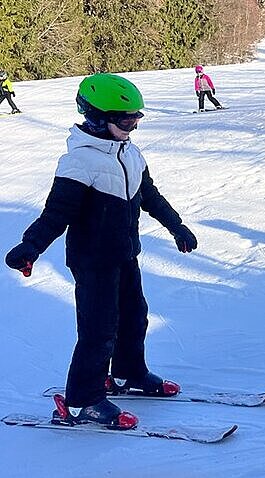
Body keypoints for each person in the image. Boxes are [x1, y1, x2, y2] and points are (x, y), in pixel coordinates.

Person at [4, 73, 198, 429]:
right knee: (98, 330)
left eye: (138, 118)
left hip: (125, 254)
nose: (134, 126)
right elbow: (56, 213)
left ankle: (127, 374)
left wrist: (177, 226)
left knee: (135, 316)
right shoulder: (79, 162)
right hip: (92, 262)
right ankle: (82, 400)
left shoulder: (130, 153)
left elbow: (149, 196)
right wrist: (31, 246)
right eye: (126, 120)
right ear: (97, 117)